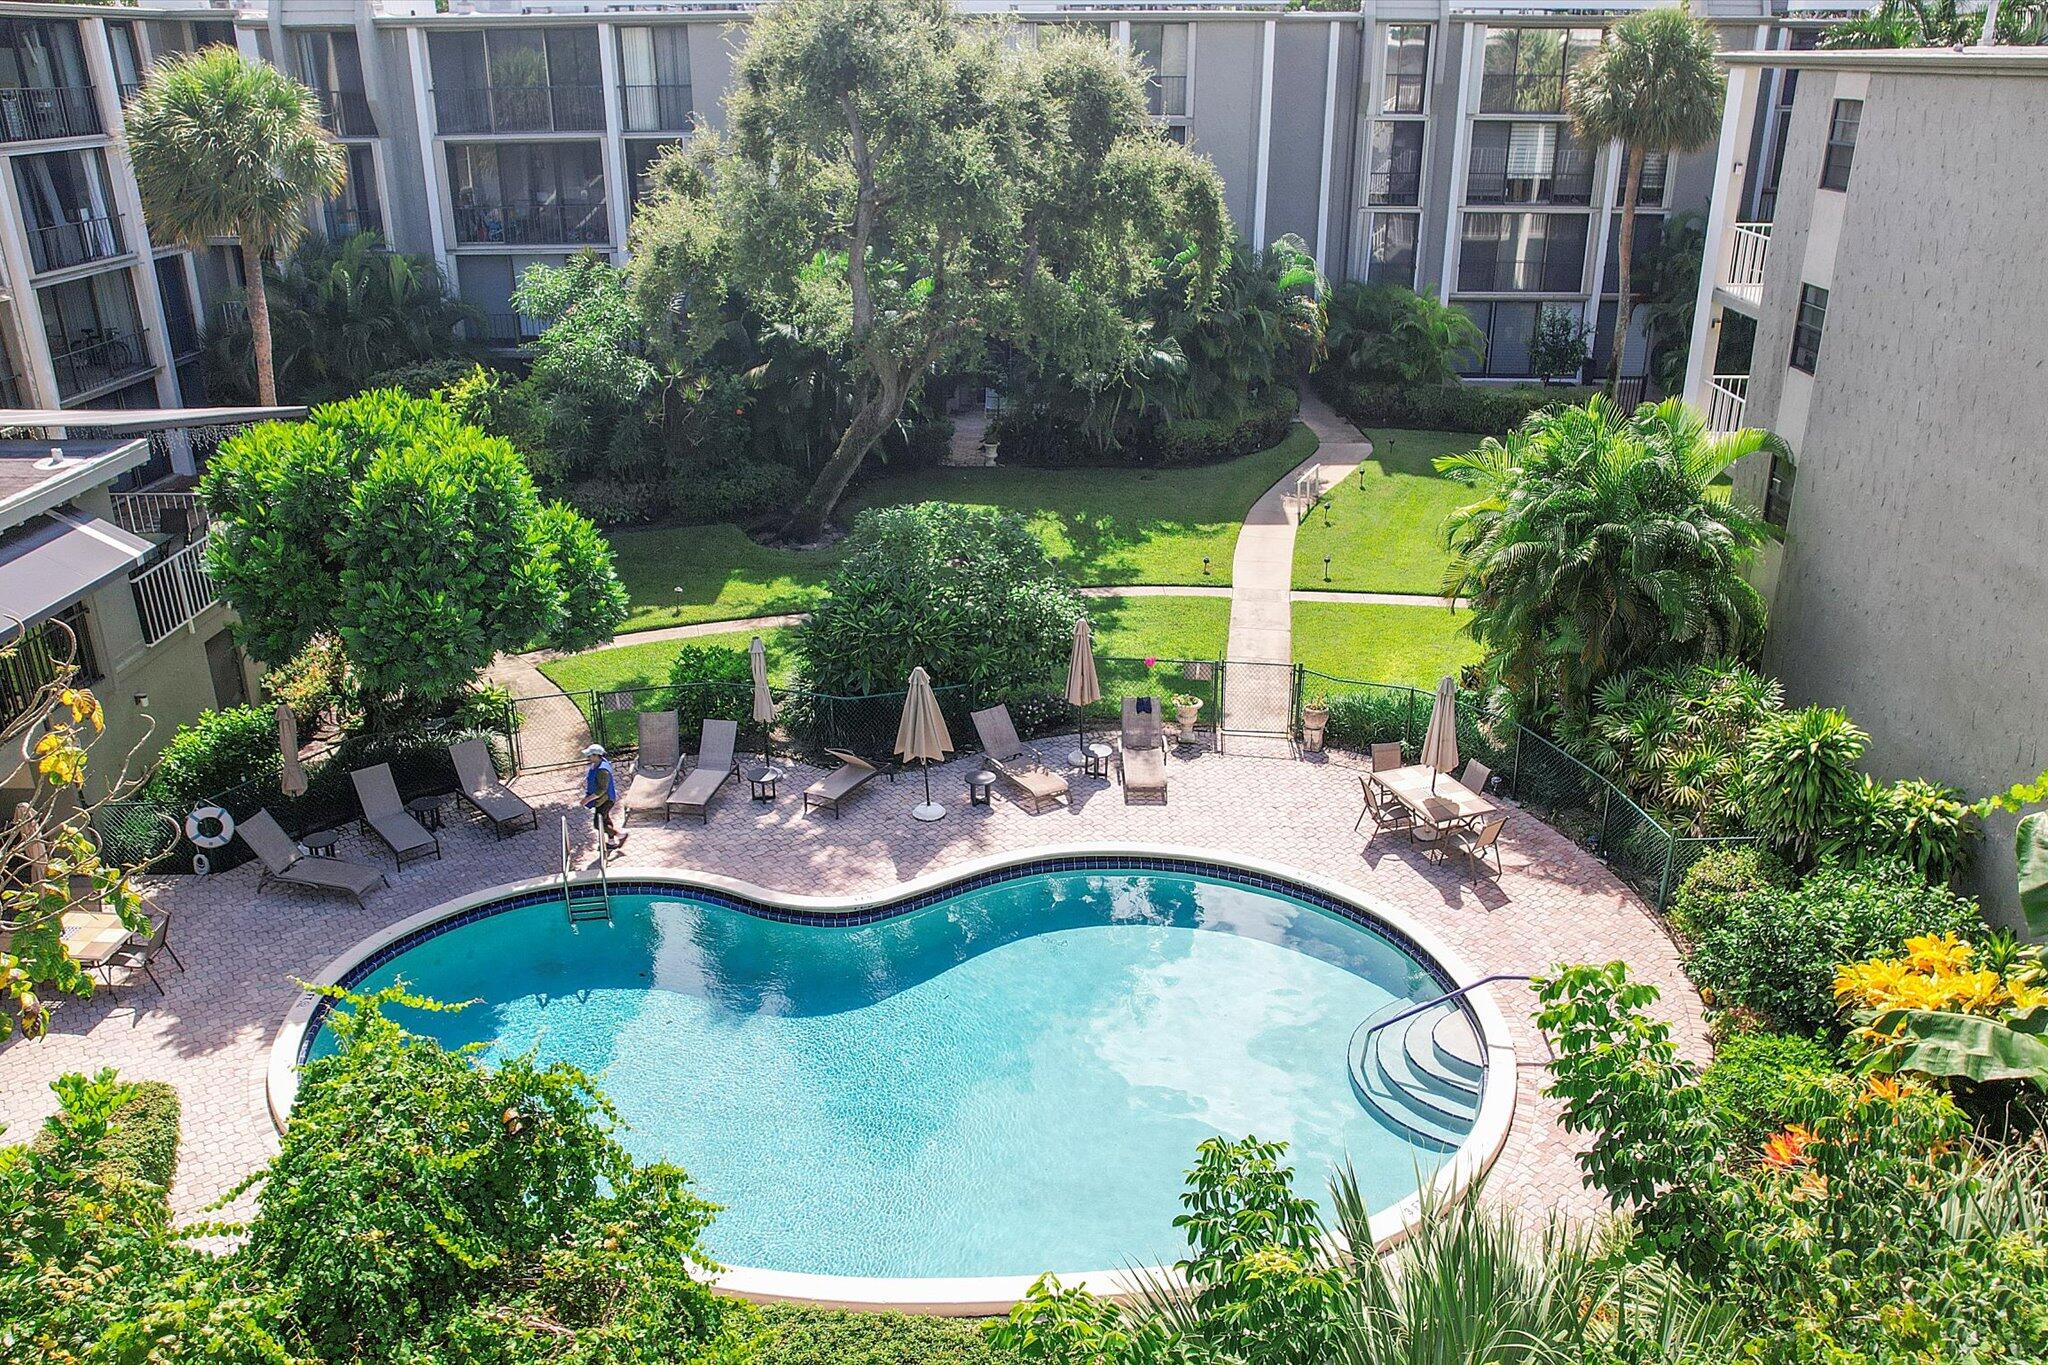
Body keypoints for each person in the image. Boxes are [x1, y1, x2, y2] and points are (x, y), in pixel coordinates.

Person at [582, 743, 625, 850]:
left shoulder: (602, 770)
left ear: (596, 756)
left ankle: (620, 835)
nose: (588, 757)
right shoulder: (597, 764)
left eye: (590, 755)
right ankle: (611, 842)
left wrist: (587, 799)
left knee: (598, 823)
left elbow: (602, 790)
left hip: (605, 800)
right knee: (605, 820)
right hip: (601, 800)